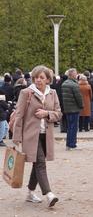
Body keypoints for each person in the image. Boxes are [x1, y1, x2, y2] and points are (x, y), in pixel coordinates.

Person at [12, 65, 62, 207]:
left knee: (36, 164)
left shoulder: (52, 93)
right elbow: (19, 115)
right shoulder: (26, 93)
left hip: (46, 135)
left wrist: (46, 114)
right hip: (30, 135)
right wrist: (17, 137)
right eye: (36, 77)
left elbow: (58, 113)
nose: (38, 80)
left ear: (47, 79)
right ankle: (49, 194)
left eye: (42, 77)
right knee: (40, 163)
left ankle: (30, 192)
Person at [61, 68, 83, 150]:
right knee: (73, 127)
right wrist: (81, 106)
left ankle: (68, 144)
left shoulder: (64, 84)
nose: (77, 74)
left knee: (69, 127)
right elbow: (78, 97)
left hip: (67, 108)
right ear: (72, 75)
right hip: (74, 108)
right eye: (75, 73)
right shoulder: (74, 85)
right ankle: (72, 144)